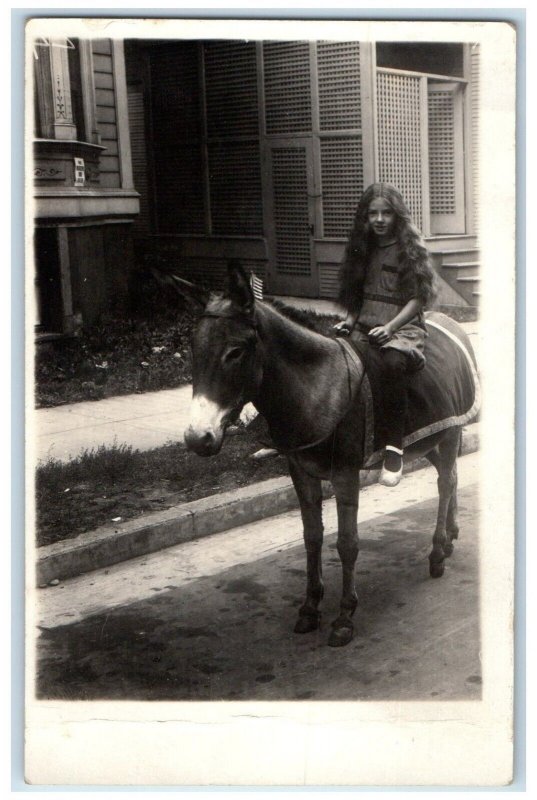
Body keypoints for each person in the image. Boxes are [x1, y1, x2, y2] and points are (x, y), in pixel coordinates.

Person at [334, 183, 437, 487]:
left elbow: (419, 299)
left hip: (402, 327)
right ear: (364, 217)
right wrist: (349, 321)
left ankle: (394, 448)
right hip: (366, 326)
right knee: (334, 359)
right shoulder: (362, 248)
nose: (379, 219)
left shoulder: (409, 249)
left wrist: (390, 328)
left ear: (397, 216)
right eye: (373, 213)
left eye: (386, 213)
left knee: (392, 364)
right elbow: (356, 294)